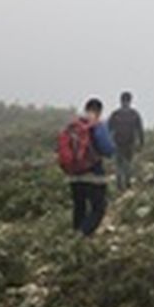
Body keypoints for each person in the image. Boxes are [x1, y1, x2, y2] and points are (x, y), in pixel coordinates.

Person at [61, 97, 116, 235]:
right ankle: (81, 236)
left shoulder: (73, 126)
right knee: (99, 208)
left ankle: (75, 235)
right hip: (93, 173)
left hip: (73, 174)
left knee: (79, 207)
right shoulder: (97, 125)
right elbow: (107, 149)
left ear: (86, 109)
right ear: (99, 111)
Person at [108, 91, 145, 191]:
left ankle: (119, 185)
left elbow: (109, 130)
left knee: (119, 165)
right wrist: (141, 144)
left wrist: (108, 144)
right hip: (130, 143)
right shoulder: (134, 114)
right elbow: (140, 130)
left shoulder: (115, 114)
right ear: (130, 100)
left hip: (117, 143)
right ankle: (127, 185)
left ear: (121, 101)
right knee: (128, 164)